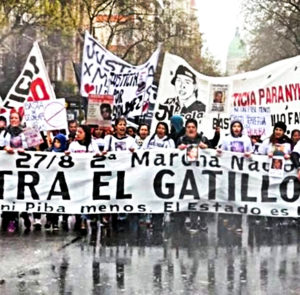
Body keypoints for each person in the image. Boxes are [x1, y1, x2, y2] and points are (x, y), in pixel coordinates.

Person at [217, 120, 252, 232]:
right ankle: (228, 220)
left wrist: (249, 155)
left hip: (241, 172)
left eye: (238, 126)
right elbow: (220, 150)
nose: (236, 128)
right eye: (234, 126)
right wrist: (219, 152)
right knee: (229, 196)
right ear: (231, 128)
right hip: (229, 171)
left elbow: (251, 153)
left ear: (241, 128)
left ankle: (238, 223)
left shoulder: (246, 139)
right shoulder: (226, 139)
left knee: (239, 197)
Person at [176, 118, 211, 231]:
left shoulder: (203, 139)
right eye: (188, 127)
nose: (191, 129)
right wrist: (178, 149)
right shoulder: (180, 139)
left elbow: (212, 153)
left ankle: (204, 221)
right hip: (185, 174)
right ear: (185, 128)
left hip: (201, 174)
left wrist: (206, 148)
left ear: (196, 128)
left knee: (202, 197)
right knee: (190, 197)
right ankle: (193, 221)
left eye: (193, 127)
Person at [2, 109, 31, 232]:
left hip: (21, 168)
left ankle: (24, 214)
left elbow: (34, 148)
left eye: (16, 118)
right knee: (8, 193)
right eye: (11, 118)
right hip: (7, 169)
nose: (13, 120)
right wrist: (5, 148)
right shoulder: (4, 133)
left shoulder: (26, 132)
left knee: (21, 192)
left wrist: (24, 150)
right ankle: (10, 218)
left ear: (20, 120)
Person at [45, 133, 68, 231]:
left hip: (61, 179)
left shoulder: (65, 152)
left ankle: (55, 221)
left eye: (59, 142)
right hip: (49, 178)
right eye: (55, 141)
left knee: (57, 200)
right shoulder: (48, 151)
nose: (56, 144)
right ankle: (48, 219)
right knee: (49, 200)